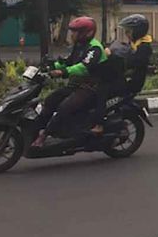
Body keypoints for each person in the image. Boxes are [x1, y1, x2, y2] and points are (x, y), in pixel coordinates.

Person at [32, 17, 108, 147]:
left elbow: (83, 67)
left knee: (64, 107)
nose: (72, 35)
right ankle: (36, 130)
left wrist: (63, 72)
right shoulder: (79, 46)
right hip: (76, 86)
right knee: (50, 100)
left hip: (90, 88)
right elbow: (68, 61)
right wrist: (51, 67)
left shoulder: (94, 48)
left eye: (75, 32)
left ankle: (44, 136)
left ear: (87, 33)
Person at [89, 14, 153, 135]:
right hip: (123, 79)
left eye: (129, 31)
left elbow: (131, 62)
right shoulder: (135, 44)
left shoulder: (144, 48)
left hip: (131, 83)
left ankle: (99, 124)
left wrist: (114, 57)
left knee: (102, 90)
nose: (127, 34)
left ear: (137, 31)